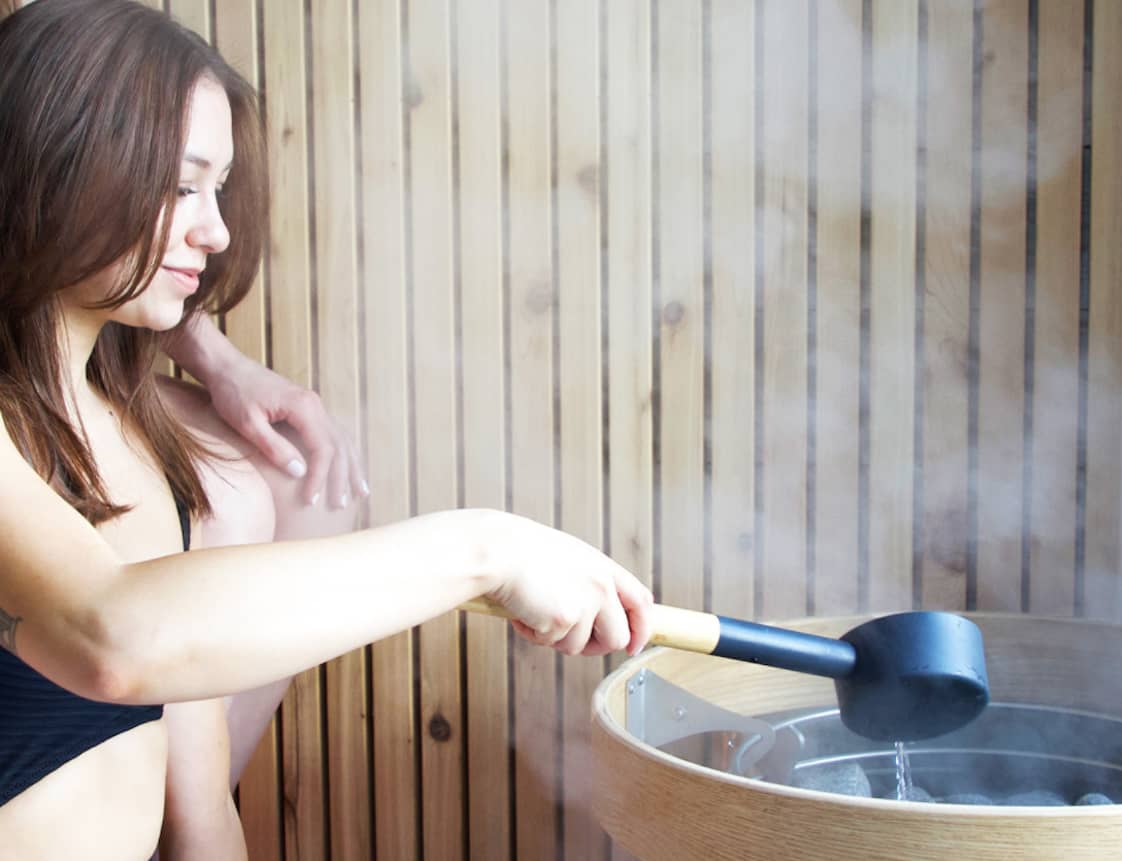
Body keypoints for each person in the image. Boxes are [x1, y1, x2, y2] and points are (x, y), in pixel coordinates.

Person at [0, 2, 654, 859]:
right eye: (181, 185)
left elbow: (200, 817)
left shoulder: (145, 451)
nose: (219, 229)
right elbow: (109, 635)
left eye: (219, 189)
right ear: (66, 158)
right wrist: (485, 549)